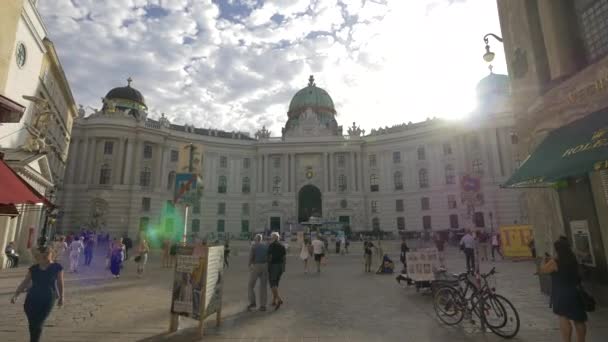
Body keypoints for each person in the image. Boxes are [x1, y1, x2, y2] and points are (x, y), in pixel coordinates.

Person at [11, 246, 64, 342]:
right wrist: (16, 295)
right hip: (31, 299)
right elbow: (25, 282)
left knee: (38, 323)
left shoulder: (57, 267)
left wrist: (61, 297)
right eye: (41, 254)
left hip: (47, 299)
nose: (44, 256)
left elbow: (60, 282)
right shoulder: (33, 268)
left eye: (46, 254)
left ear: (51, 254)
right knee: (32, 324)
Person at [540, 238, 587, 342]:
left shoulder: (555, 262)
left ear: (557, 249)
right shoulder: (573, 259)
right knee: (579, 320)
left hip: (561, 294)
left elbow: (543, 270)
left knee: (563, 317)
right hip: (575, 292)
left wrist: (544, 259)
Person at [247, 234, 269, 311]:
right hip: (265, 266)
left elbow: (251, 257)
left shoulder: (253, 246)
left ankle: (253, 302)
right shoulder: (266, 246)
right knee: (263, 286)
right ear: (261, 239)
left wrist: (249, 264)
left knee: (251, 285)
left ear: (256, 239)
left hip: (256, 266)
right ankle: (263, 305)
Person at [267, 232, 286, 311]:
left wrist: (268, 266)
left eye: (271, 237)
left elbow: (269, 257)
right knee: (276, 283)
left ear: (273, 238)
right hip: (281, 266)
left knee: (272, 283)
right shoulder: (282, 246)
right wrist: (283, 268)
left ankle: (279, 299)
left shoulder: (271, 246)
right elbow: (284, 258)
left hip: (274, 265)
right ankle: (274, 301)